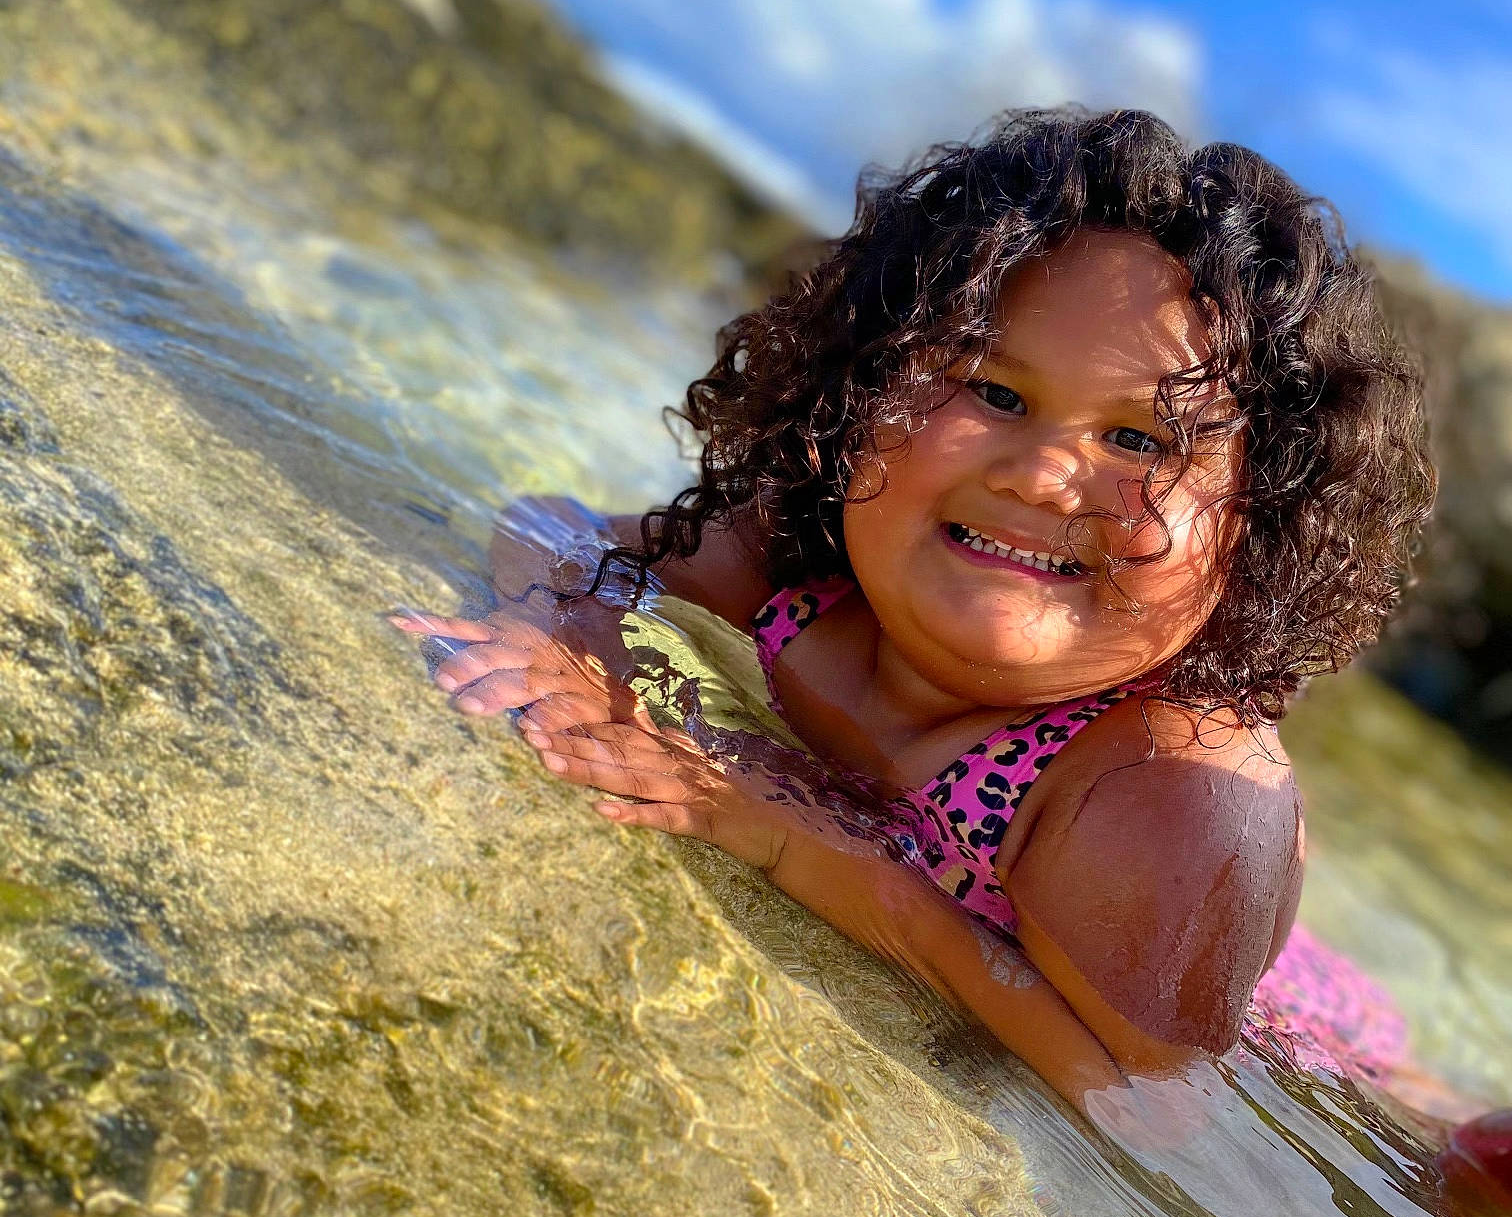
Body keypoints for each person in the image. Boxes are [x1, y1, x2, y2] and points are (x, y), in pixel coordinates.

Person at [395, 108, 1493, 1147]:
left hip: (1266, 1019)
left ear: (1260, 529)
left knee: (1423, 1148)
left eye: (1142, 443)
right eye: (997, 396)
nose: (1045, 473)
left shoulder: (1172, 790)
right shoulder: (813, 562)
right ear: (863, 390)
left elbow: (1151, 1109)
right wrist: (573, 635)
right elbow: (554, 527)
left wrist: (833, 862)